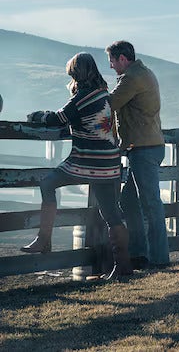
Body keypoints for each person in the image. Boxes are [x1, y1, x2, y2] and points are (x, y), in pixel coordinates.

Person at [22, 53, 133, 280]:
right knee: (111, 214)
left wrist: (37, 115)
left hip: (86, 160)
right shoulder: (103, 95)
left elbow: (58, 118)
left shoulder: (83, 98)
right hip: (109, 163)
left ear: (77, 74)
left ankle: (43, 239)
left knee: (48, 183)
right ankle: (123, 266)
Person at [107, 40, 168, 270]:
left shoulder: (131, 78)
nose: (111, 66)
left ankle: (158, 258)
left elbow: (111, 103)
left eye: (112, 61)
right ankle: (140, 254)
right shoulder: (144, 73)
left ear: (122, 59)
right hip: (145, 146)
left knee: (151, 203)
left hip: (143, 149)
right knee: (130, 201)